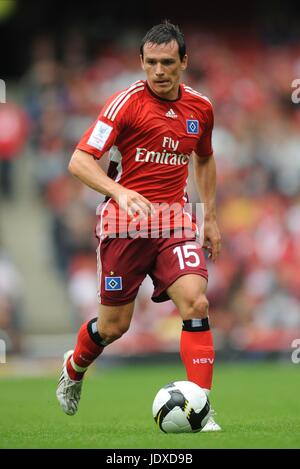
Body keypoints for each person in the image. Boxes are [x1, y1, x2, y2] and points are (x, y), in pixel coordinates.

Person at [56, 21, 222, 431]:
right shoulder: (124, 104)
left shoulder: (200, 108)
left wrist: (211, 216)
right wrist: (119, 191)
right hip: (123, 225)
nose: (159, 71)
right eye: (151, 63)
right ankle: (74, 369)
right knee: (114, 327)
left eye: (168, 62)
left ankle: (202, 408)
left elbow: (203, 157)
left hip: (173, 222)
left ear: (184, 61)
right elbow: (79, 160)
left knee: (197, 303)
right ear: (141, 62)